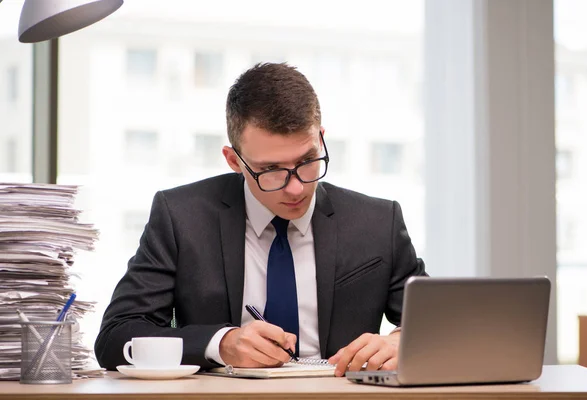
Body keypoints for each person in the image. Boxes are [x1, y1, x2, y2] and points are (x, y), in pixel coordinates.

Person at [95, 62, 426, 377]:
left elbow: (437, 323)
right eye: (270, 170)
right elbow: (116, 337)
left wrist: (402, 340)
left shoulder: (378, 222)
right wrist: (220, 344)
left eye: (308, 160)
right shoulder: (181, 216)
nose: (296, 187)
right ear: (233, 160)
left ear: (321, 137)